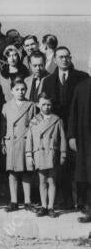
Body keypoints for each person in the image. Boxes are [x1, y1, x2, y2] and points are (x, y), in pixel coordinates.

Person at [42, 46, 89, 210]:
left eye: (67, 56)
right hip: (54, 131)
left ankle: (82, 203)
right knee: (59, 166)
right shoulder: (47, 81)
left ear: (71, 58)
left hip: (77, 130)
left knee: (80, 166)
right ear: (54, 59)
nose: (64, 60)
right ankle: (65, 200)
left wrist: (73, 134)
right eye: (60, 57)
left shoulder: (82, 78)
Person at [25, 93, 66, 218]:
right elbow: (29, 139)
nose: (46, 107)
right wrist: (29, 155)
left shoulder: (57, 120)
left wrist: (63, 153)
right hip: (39, 154)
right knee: (42, 181)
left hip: (52, 154)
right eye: (43, 104)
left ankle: (51, 207)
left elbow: (63, 138)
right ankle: (43, 206)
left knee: (52, 180)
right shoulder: (34, 120)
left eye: (49, 104)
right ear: (38, 105)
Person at [1, 79, 35, 212]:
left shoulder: (31, 105)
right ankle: (14, 201)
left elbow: (34, 124)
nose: (20, 92)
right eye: (17, 89)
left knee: (26, 172)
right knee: (13, 172)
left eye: (23, 89)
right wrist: (2, 141)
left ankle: (28, 201)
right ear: (11, 91)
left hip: (26, 142)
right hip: (12, 142)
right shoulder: (6, 106)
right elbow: (3, 125)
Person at [68, 58, 91, 223]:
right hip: (85, 140)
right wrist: (72, 136)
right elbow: (73, 114)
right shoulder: (82, 87)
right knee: (87, 175)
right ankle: (89, 210)